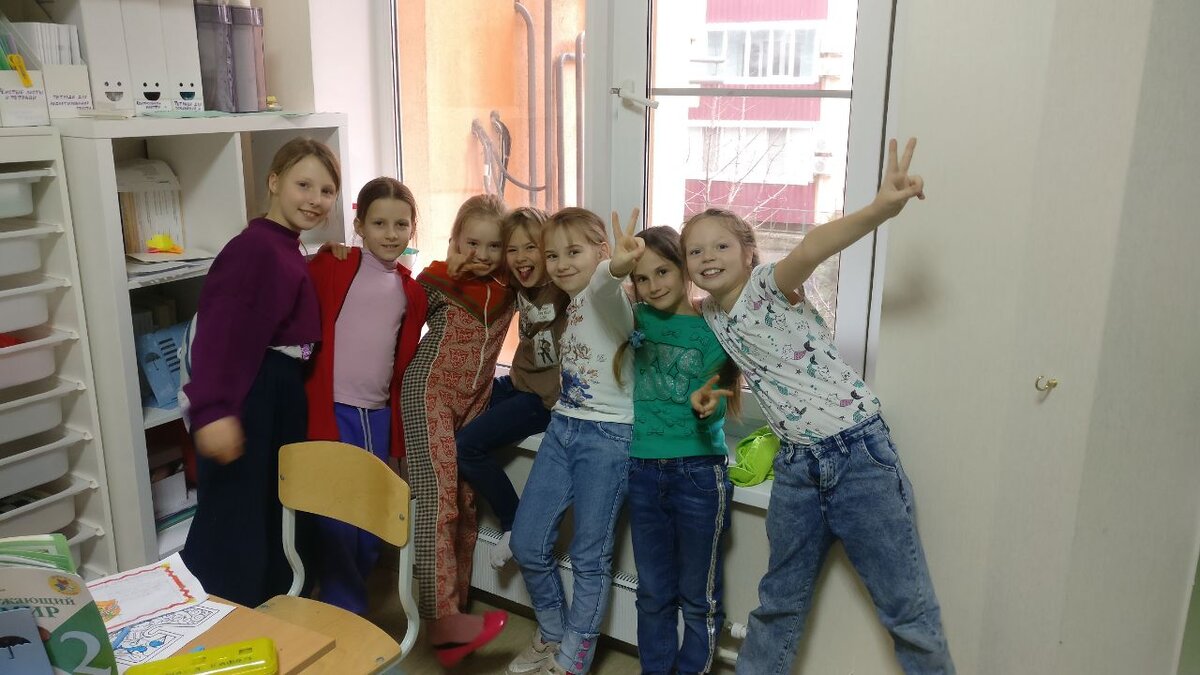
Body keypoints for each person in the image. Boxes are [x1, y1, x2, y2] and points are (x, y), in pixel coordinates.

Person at [686, 138, 954, 673]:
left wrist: (880, 209)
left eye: (720, 246)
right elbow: (718, 332)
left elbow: (811, 249)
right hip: (796, 468)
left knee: (907, 609)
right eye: (695, 251)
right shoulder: (711, 313)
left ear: (748, 252)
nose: (707, 257)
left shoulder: (770, 285)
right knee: (777, 604)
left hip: (858, 456)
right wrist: (713, 383)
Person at [180, 137, 339, 607]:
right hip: (252, 389)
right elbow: (220, 332)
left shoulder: (283, 246)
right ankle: (224, 618)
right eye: (303, 185)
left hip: (276, 391)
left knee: (270, 510)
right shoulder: (254, 249)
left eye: (326, 190)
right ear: (273, 182)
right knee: (237, 517)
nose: (315, 199)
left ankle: (268, 614)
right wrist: (214, 411)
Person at [508, 208, 640, 675]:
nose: (561, 264)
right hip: (563, 426)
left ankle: (572, 661)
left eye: (574, 252)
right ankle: (552, 632)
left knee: (589, 557)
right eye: (553, 255)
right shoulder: (571, 303)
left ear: (601, 252)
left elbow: (606, 282)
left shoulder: (610, 296)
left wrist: (618, 264)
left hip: (608, 436)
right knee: (526, 542)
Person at [304, 177, 428, 614]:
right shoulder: (336, 265)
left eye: (401, 224)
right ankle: (343, 606)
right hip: (332, 410)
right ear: (359, 226)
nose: (390, 234)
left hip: (377, 416)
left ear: (412, 228)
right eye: (379, 223)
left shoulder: (410, 291)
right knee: (335, 513)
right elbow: (292, 277)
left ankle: (346, 597)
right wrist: (320, 251)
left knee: (372, 513)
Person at [401, 194, 513, 667]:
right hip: (428, 392)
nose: (482, 255)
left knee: (466, 505)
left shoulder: (511, 287)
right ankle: (443, 622)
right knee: (438, 502)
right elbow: (390, 308)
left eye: (493, 246)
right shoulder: (435, 281)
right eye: (472, 243)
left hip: (476, 402)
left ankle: (457, 618)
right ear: (454, 241)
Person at [620, 226, 737, 675]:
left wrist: (707, 403)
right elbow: (593, 298)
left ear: (684, 268)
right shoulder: (633, 319)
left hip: (699, 472)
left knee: (698, 596)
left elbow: (721, 392)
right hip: (643, 469)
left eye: (663, 272)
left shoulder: (714, 328)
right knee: (652, 592)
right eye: (642, 278)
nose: (653, 286)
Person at [455, 206, 568, 570]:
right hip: (516, 383)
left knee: (466, 446)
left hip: (542, 401)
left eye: (530, 247)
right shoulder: (517, 283)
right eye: (512, 249)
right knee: (461, 411)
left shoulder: (563, 286)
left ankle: (512, 522)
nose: (521, 258)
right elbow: (474, 261)